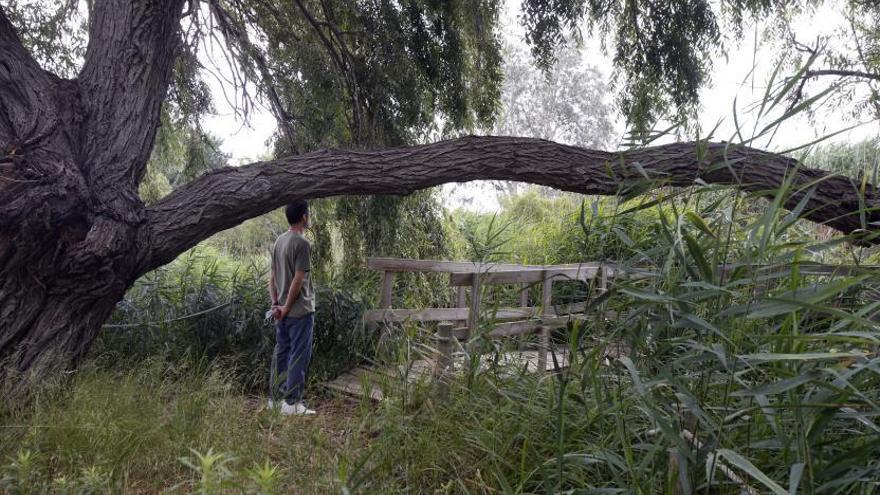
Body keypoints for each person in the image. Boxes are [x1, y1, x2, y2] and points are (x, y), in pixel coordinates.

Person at [267, 199, 317, 416]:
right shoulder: (302, 244)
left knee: (281, 352)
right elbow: (298, 279)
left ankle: (275, 399)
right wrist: (287, 307)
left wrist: (276, 304)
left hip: (281, 310)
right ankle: (293, 403)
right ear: (304, 217)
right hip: (299, 311)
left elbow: (271, 277)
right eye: (309, 214)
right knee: (298, 354)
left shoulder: (279, 240)